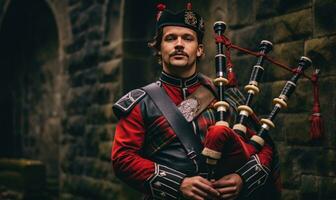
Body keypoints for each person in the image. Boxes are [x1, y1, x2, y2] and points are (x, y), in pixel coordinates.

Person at [111, 3, 280, 200]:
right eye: (170, 38)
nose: (179, 44)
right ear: (159, 49)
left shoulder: (226, 95)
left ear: (199, 50)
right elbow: (123, 159)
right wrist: (178, 184)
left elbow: (263, 146)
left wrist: (242, 178)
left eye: (188, 38)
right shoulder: (140, 102)